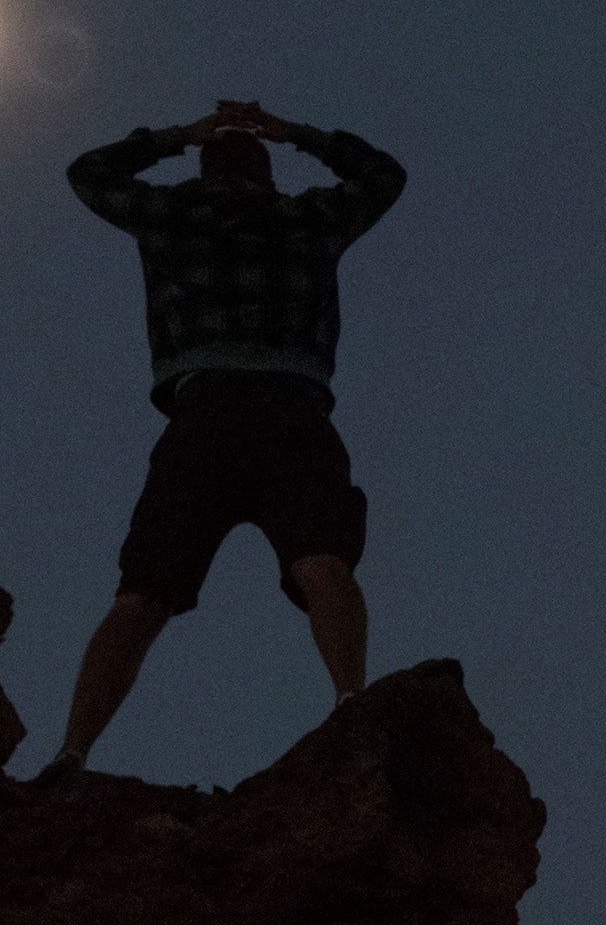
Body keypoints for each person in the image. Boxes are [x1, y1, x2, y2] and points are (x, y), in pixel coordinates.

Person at [38, 100, 406, 783]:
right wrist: (298, 131)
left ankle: (72, 753)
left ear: (208, 164)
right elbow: (384, 175)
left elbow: (88, 172)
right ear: (266, 171)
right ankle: (352, 699)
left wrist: (179, 134)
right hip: (294, 415)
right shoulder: (309, 218)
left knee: (143, 593)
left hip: (202, 414)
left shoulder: (172, 215)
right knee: (322, 562)